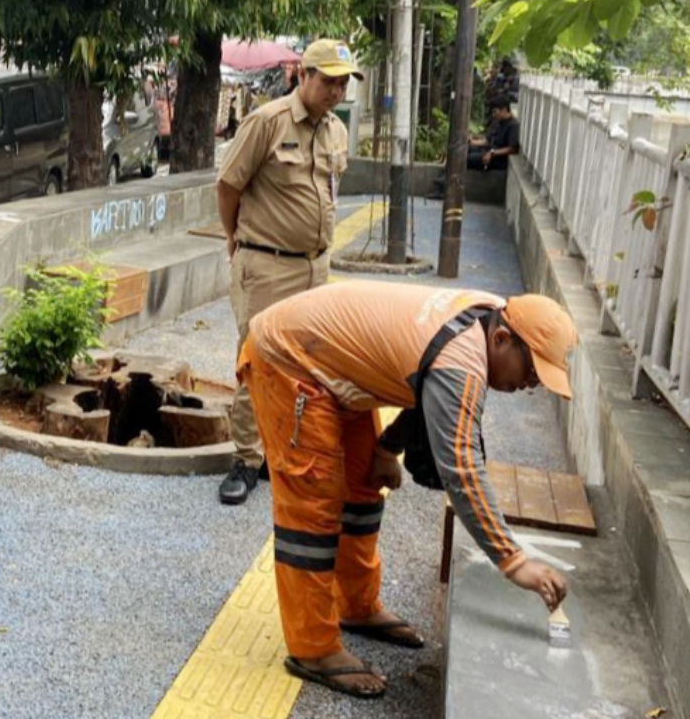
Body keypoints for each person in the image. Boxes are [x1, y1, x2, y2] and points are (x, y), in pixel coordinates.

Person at [239, 280, 575, 699]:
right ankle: (313, 648)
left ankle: (357, 608)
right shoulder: (464, 361)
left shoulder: (488, 314)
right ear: (503, 338)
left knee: (363, 488)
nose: (531, 384)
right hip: (290, 359)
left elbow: (424, 383)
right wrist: (513, 560)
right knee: (312, 512)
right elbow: (463, 469)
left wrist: (387, 449)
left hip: (334, 366)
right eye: (531, 370)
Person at [215, 38, 361, 505]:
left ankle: (292, 451)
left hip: (315, 268)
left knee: (310, 367)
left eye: (343, 84)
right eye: (329, 82)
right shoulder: (269, 122)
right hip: (267, 265)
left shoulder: (336, 131)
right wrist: (233, 237)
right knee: (259, 364)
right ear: (303, 75)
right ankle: (245, 460)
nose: (336, 92)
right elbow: (228, 184)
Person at [429, 96, 520, 200]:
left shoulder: (513, 126)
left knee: (462, 159)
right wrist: (471, 142)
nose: (494, 115)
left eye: (495, 112)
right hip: (487, 151)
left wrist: (493, 153)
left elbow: (512, 149)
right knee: (458, 151)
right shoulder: (498, 123)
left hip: (496, 158)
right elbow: (487, 140)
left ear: (504, 110)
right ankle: (441, 184)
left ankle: (446, 189)